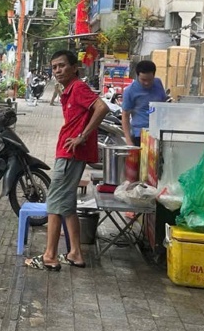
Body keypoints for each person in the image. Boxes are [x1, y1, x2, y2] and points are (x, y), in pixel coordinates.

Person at [26, 50, 109, 271]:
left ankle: (49, 256)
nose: (58, 70)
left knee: (54, 202)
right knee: (67, 203)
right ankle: (75, 253)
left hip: (70, 153)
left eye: (62, 66)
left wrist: (82, 136)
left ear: (74, 67)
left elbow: (102, 107)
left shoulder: (79, 88)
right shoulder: (69, 90)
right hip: (70, 151)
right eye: (54, 67)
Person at [121, 60, 168, 146]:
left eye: (150, 80)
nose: (147, 83)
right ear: (137, 76)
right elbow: (125, 116)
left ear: (154, 75)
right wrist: (128, 141)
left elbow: (163, 104)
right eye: (143, 80)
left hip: (160, 133)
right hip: (141, 135)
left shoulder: (158, 83)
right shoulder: (130, 91)